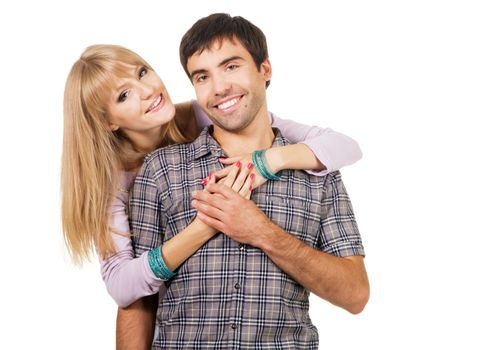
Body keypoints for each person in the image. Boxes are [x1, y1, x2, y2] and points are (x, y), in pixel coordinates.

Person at [121, 13, 369, 349]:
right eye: (202, 76)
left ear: (264, 70)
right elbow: (137, 300)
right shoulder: (161, 169)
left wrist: (262, 232)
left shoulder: (317, 172)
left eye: (231, 66)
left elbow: (355, 294)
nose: (219, 87)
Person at [61, 44, 363, 310]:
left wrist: (266, 161)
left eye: (142, 72)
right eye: (124, 95)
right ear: (108, 121)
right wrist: (205, 226)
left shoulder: (204, 114)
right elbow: (121, 286)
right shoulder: (114, 181)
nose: (148, 91)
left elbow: (342, 145)